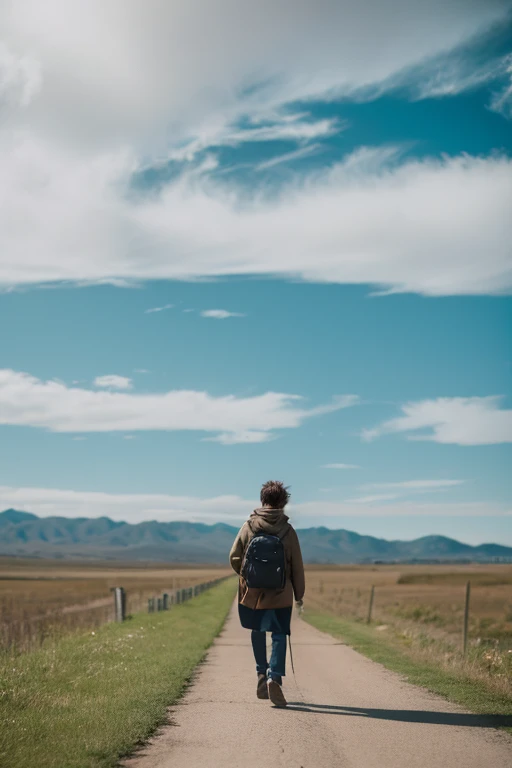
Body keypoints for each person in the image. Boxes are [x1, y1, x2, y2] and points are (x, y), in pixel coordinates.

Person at [229, 480, 305, 708]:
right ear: (283, 502)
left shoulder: (249, 526)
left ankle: (261, 675)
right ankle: (275, 677)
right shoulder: (288, 530)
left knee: (257, 631)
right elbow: (296, 566)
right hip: (281, 593)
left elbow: (234, 557)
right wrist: (298, 594)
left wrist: (248, 578)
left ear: (262, 500)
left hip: (252, 594)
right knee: (279, 633)